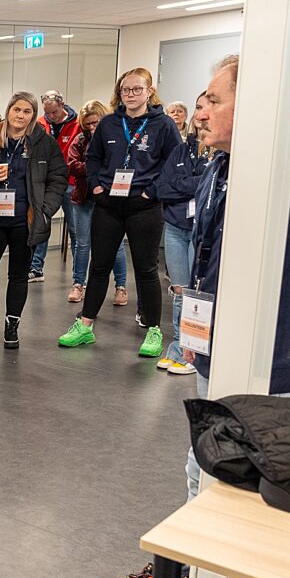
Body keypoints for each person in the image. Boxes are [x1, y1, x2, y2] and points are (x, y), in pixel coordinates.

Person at [93, 54, 290, 578]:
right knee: (206, 468)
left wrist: (282, 122)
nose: (199, 111)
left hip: (269, 359)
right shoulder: (221, 165)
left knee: (242, 484)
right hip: (218, 347)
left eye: (212, 100)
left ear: (255, 107)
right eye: (201, 101)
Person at [57, 67, 182, 357]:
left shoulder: (164, 125)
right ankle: (85, 325)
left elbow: (173, 164)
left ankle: (153, 330)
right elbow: (93, 157)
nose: (131, 94)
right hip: (109, 205)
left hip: (144, 206)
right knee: (99, 266)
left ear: (149, 92)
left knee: (146, 269)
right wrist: (97, 187)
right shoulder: (109, 123)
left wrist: (152, 191)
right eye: (126, 89)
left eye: (137, 89)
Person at [0, 92, 67, 349]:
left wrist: (45, 211)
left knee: (18, 277)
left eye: (27, 111)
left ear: (33, 115)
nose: (20, 115)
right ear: (8, 111)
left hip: (24, 222)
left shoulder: (44, 143)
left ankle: (11, 327)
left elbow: (58, 178)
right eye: (16, 110)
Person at [153, 92, 211, 376]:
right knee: (178, 290)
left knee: (196, 292)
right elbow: (162, 188)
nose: (201, 113)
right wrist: (193, 184)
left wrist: (183, 183)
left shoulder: (221, 152)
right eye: (198, 107)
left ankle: (194, 350)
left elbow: (209, 187)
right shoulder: (181, 149)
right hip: (176, 227)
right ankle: (178, 346)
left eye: (207, 107)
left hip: (201, 231)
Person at [64, 101, 129, 304]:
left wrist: (96, 168)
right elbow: (72, 165)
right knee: (82, 244)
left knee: (116, 245)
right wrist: (94, 167)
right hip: (84, 198)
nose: (92, 127)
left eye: (96, 123)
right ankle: (78, 284)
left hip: (110, 199)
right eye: (88, 124)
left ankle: (121, 287)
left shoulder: (117, 138)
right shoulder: (80, 140)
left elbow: (121, 164)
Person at [27, 90, 81, 283]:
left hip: (71, 183)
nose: (51, 116)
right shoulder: (41, 124)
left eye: (54, 112)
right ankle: (36, 268)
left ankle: (79, 274)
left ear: (62, 105)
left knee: (75, 229)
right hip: (46, 183)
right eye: (47, 112)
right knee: (41, 224)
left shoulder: (78, 124)